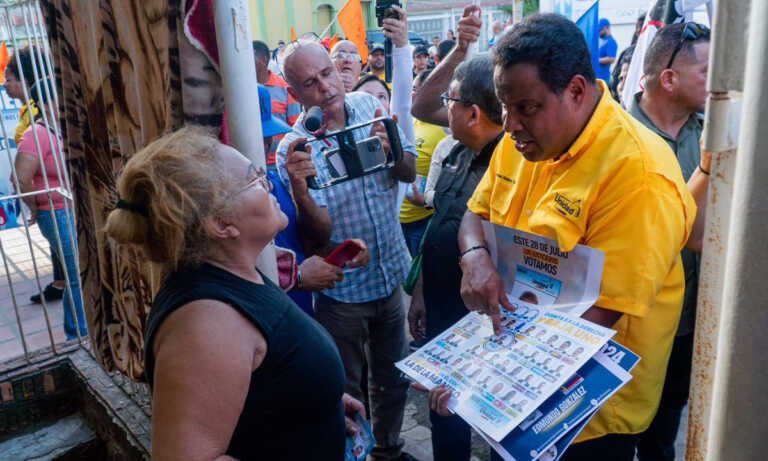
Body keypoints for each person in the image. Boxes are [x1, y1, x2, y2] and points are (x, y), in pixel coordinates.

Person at [455, 14, 695, 460]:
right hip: (515, 376)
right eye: (504, 107)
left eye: (525, 108)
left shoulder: (639, 174)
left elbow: (597, 318)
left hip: (588, 416)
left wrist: (475, 375)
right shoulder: (523, 137)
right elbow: (476, 213)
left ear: (577, 91)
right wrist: (474, 256)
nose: (509, 125)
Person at [104, 127, 365, 460]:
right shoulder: (206, 322)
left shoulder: (236, 274)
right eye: (255, 178)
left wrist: (314, 403)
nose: (269, 182)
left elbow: (262, 386)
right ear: (221, 223)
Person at [276, 41, 418, 461]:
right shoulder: (293, 148)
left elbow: (408, 174)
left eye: (327, 72)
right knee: (346, 387)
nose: (325, 86)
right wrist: (301, 190)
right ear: (294, 93)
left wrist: (392, 149)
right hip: (342, 294)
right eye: (310, 82)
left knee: (394, 380)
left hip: (390, 276)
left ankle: (389, 450)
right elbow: (316, 238)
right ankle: (355, 455)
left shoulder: (370, 107)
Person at [409, 6, 504, 461]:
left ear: (472, 113)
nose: (442, 109)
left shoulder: (516, 161)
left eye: (452, 101)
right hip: (443, 312)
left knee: (495, 422)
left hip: (487, 322)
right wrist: (421, 292)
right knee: (444, 416)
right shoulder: (455, 148)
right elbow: (420, 105)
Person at [630, 22, 710, 461]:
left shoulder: (712, 134)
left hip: (693, 320)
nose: (716, 83)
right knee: (624, 431)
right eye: (706, 72)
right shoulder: (621, 138)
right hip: (636, 323)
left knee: (665, 434)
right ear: (668, 79)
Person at [257, 84, 362, 316]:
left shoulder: (273, 179)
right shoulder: (225, 202)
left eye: (267, 136)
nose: (266, 144)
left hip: (299, 314)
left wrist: (341, 251)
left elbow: (297, 244)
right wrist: (299, 278)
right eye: (258, 136)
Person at [7, 48, 87, 340]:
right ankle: (76, 332)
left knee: (74, 274)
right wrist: (36, 207)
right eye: (58, 98)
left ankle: (77, 329)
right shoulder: (37, 134)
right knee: (75, 275)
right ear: (44, 102)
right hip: (55, 212)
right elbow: (20, 178)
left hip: (67, 210)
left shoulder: (59, 130)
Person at [5, 47, 65, 305]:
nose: (5, 85)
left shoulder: (37, 118)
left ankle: (74, 322)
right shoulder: (29, 114)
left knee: (72, 267)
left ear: (26, 80)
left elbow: (22, 175)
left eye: (10, 79)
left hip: (53, 199)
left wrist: (34, 205)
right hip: (50, 198)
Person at [400, 70, 448, 256]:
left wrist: (428, 201)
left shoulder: (446, 129)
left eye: (419, 91)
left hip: (424, 220)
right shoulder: (409, 122)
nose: (414, 95)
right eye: (413, 89)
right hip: (399, 218)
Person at [253, 40, 301, 166]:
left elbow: (295, 128)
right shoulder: (240, 90)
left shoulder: (285, 89)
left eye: (249, 60)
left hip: (279, 162)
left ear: (263, 60)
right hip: (251, 162)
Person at [597, 18, 618, 83]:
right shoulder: (600, 40)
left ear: (607, 28)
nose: (599, 32)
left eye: (600, 30)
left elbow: (612, 59)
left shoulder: (611, 42)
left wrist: (596, 60)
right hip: (596, 76)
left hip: (603, 78)